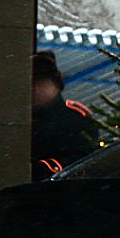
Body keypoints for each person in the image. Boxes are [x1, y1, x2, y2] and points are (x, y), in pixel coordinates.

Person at [31, 51, 99, 181]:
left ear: (55, 84)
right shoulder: (25, 119)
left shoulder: (76, 120)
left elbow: (80, 162)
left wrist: (43, 168)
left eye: (41, 83)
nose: (36, 90)